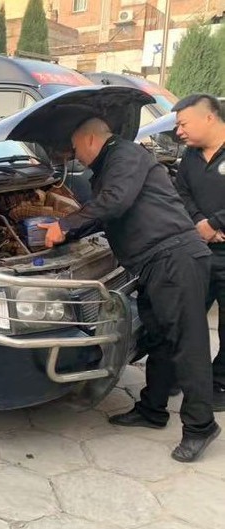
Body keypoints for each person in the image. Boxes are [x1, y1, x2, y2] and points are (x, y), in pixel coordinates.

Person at [39, 117, 220, 462]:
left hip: (174, 258)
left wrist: (66, 223)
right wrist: (66, 231)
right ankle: (153, 409)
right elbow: (105, 213)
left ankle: (201, 426)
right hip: (154, 263)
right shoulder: (111, 165)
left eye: (76, 147)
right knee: (160, 339)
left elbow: (115, 202)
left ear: (90, 140)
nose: (75, 154)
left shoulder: (125, 154)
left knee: (188, 344)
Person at [173, 94, 225, 411]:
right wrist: (199, 224)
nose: (179, 131)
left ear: (208, 117)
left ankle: (219, 383)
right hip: (200, 249)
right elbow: (181, 193)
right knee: (187, 315)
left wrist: (216, 223)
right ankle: (180, 375)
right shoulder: (190, 157)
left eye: (183, 124)